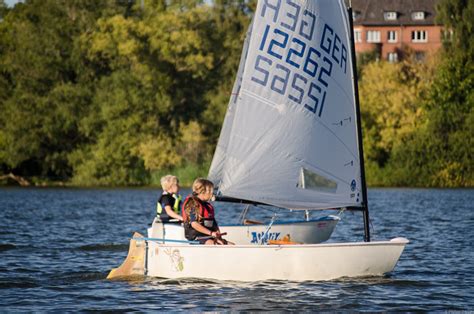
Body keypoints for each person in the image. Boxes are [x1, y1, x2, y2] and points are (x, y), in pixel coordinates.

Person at [182, 178, 231, 245]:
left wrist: (219, 235)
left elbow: (214, 224)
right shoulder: (193, 204)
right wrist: (211, 233)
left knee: (231, 244)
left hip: (208, 236)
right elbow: (194, 224)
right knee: (214, 244)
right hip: (197, 237)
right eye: (210, 192)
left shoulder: (207, 206)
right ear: (203, 192)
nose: (212, 194)